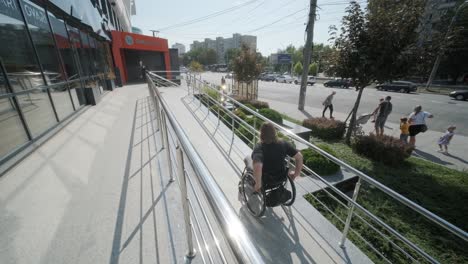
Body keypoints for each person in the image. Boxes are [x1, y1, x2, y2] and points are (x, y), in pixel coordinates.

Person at [252, 123, 303, 192]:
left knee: (248, 159)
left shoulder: (259, 147)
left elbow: (258, 165)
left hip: (266, 179)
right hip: (281, 177)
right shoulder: (283, 143)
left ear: (261, 134)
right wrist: (296, 174)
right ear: (275, 133)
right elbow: (299, 157)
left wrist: (258, 184)